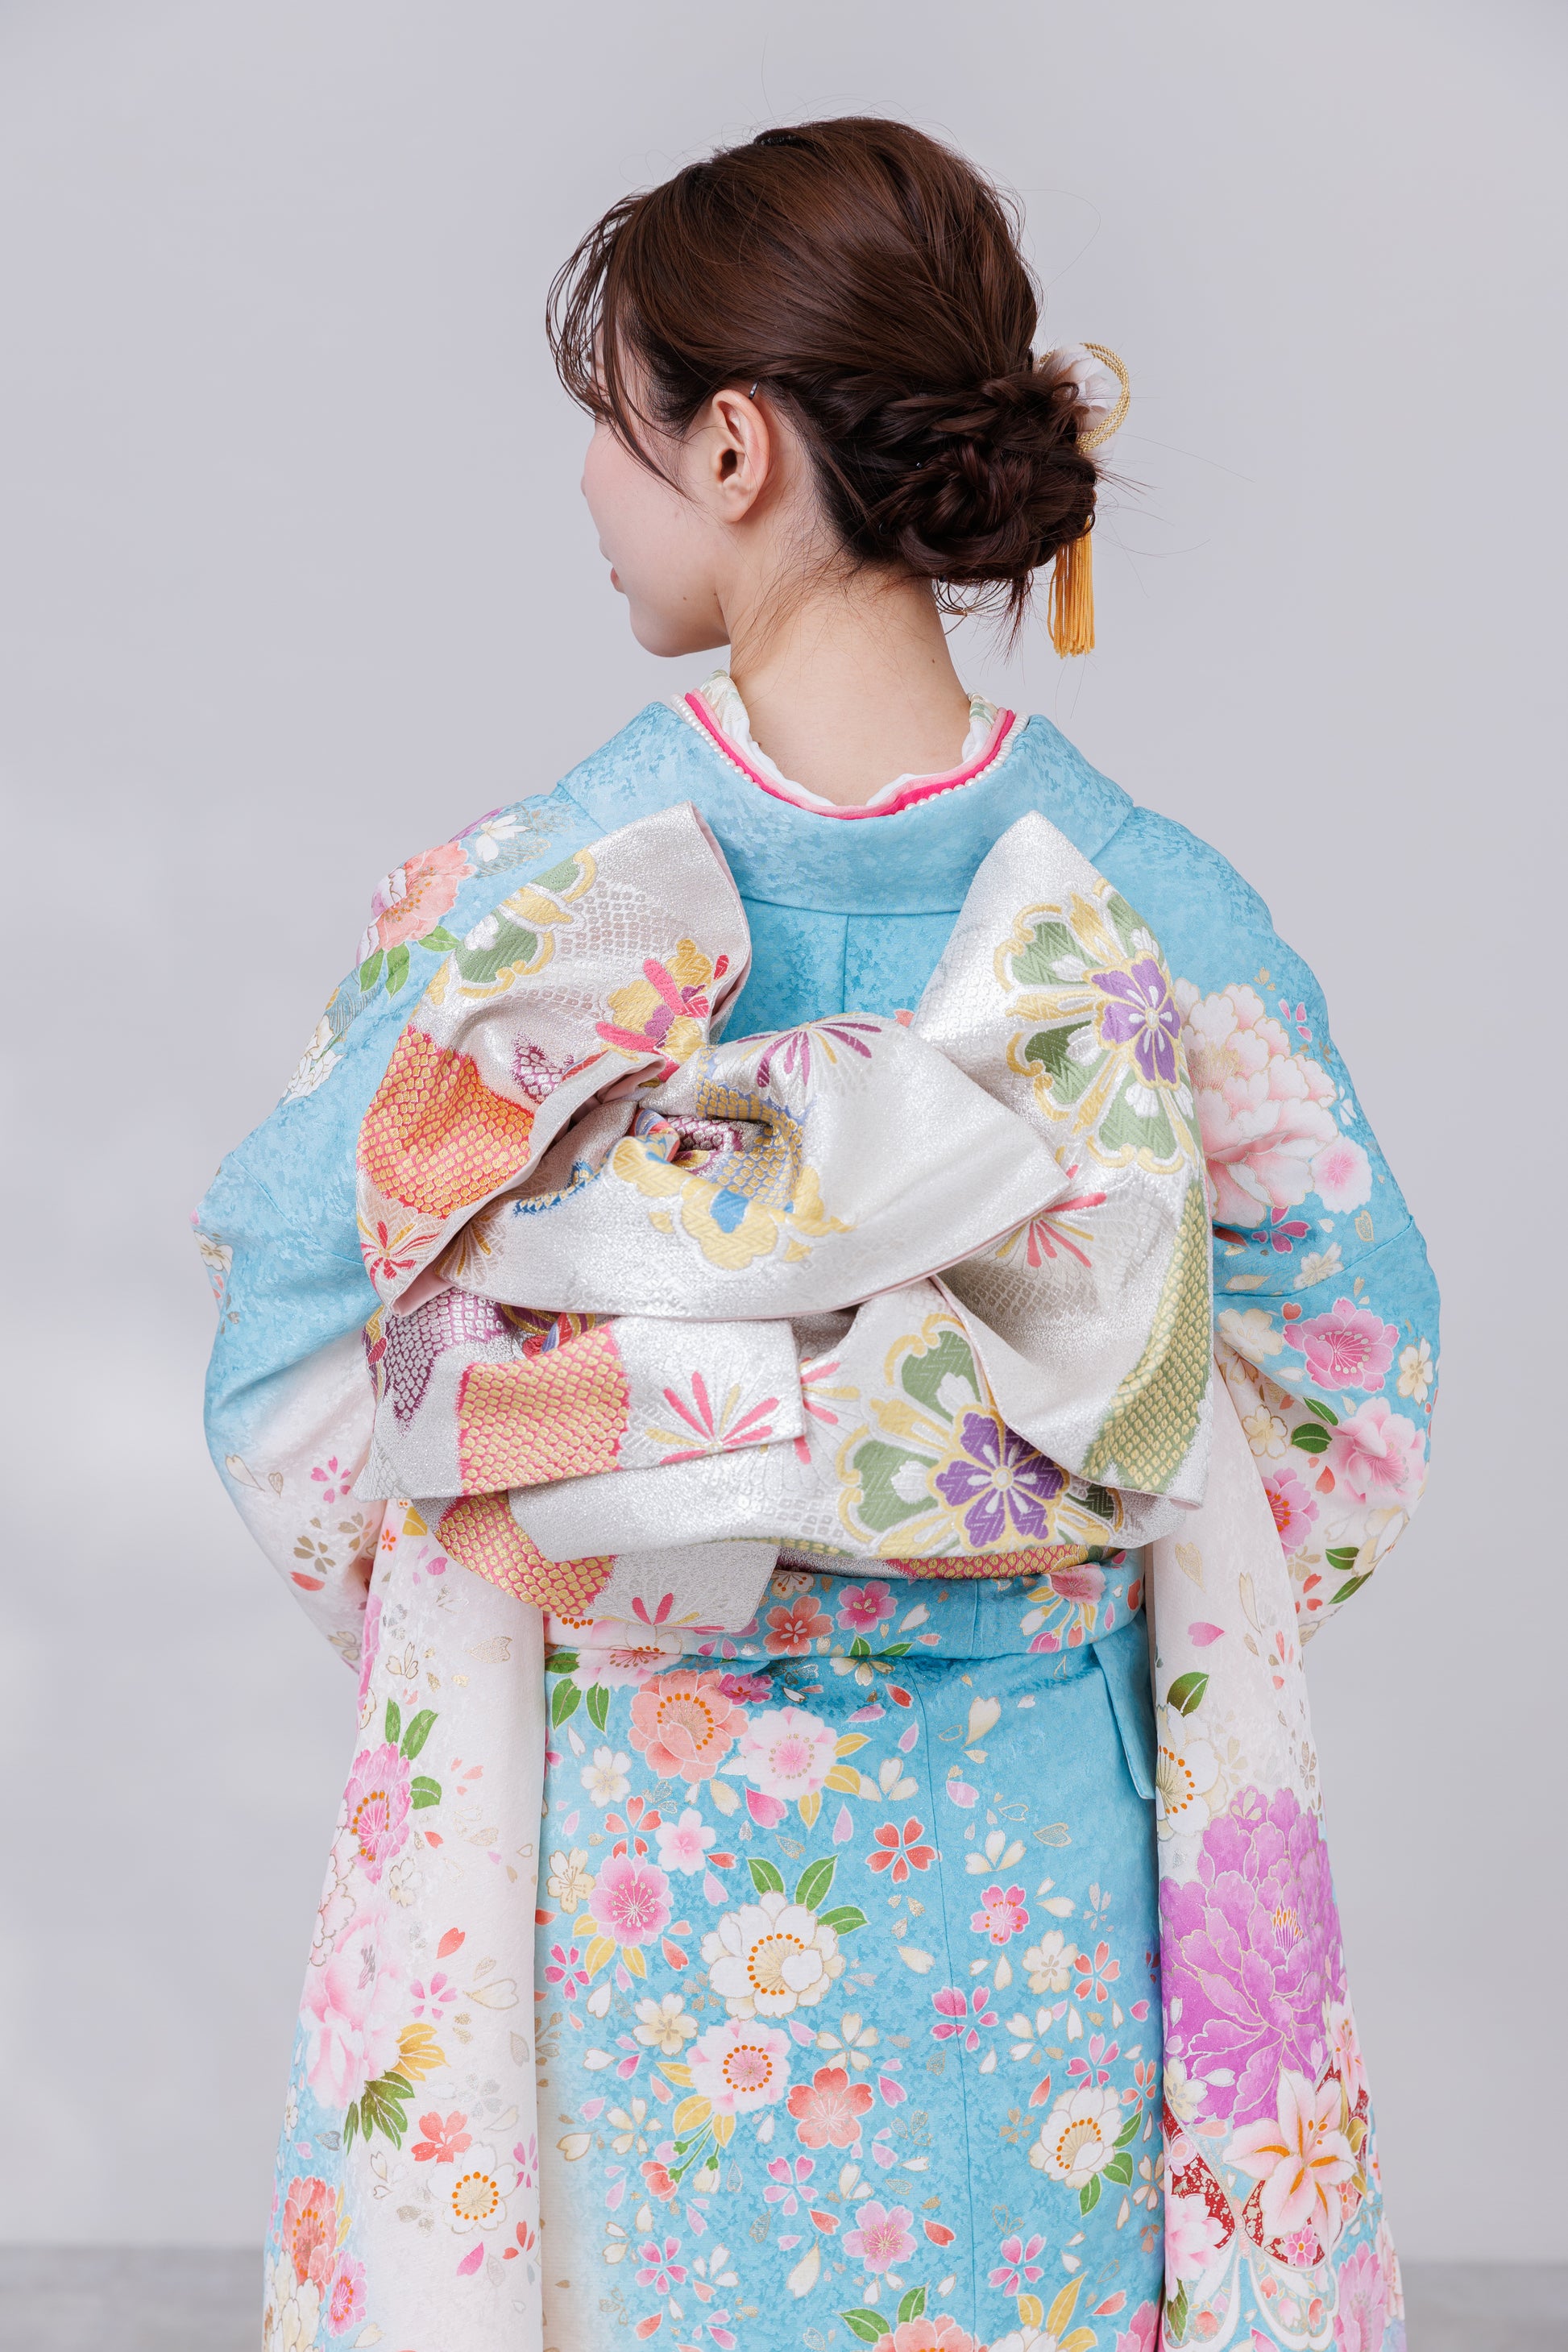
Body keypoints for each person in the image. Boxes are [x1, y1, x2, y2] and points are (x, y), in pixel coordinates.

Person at [199, 118, 1435, 2352]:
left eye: (617, 418)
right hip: (1039, 1846)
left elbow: (298, 1360)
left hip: (646, 1853)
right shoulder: (1159, 911)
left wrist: (595, 1538)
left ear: (735, 448)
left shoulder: (531, 909)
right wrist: (1023, 1523)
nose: (592, 478)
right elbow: (1356, 1387)